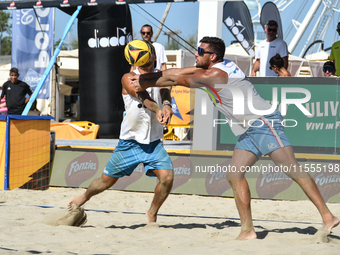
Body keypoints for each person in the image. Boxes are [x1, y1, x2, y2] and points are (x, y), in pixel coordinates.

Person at [131, 36, 339, 240]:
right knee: (234, 174)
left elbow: (175, 79)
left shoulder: (216, 75)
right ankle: (248, 230)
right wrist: (142, 79)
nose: (196, 53)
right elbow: (174, 72)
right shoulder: (217, 66)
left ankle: (327, 216)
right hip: (249, 129)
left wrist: (142, 80)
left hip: (263, 122)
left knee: (292, 168)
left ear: (212, 57)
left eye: (201, 51)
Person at [68, 41, 195, 225]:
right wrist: (159, 110)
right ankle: (84, 197)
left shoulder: (160, 75)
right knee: (105, 182)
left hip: (153, 142)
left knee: (167, 178)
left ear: (153, 56)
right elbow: (144, 98)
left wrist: (167, 105)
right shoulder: (129, 77)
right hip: (130, 141)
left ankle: (152, 212)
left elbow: (166, 89)